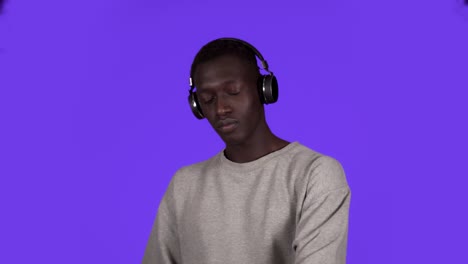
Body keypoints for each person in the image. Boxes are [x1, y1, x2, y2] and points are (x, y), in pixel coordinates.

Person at [143, 38, 351, 264]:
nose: (221, 108)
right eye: (207, 99)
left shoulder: (315, 174)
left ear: (264, 90)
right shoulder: (183, 185)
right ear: (197, 106)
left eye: (233, 92)